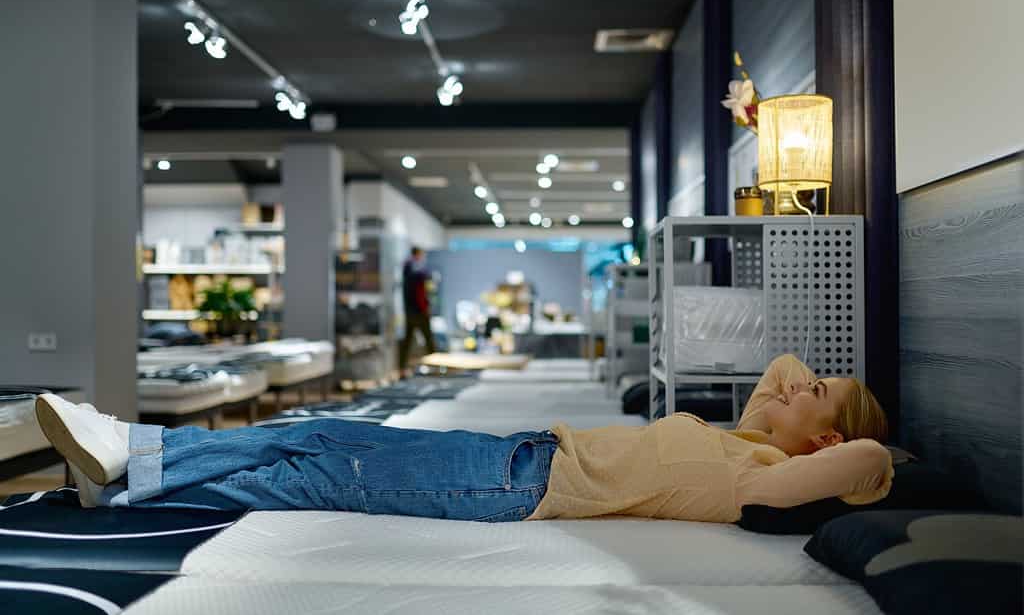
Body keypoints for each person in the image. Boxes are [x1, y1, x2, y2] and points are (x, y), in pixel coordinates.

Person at [35, 354, 892, 523]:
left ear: (823, 447)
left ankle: (127, 455)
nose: (798, 379)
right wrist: (807, 398)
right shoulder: (739, 436)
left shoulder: (759, 479)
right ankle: (126, 465)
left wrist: (871, 445)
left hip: (516, 486)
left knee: (318, 467)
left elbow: (865, 464)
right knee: (320, 437)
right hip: (519, 457)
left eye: (820, 391)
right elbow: (779, 367)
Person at [398, 246, 436, 370]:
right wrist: (425, 309)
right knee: (429, 340)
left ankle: (401, 368)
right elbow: (420, 293)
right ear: (418, 254)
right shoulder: (416, 269)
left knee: (407, 342)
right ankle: (435, 366)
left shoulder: (406, 268)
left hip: (409, 311)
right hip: (418, 312)